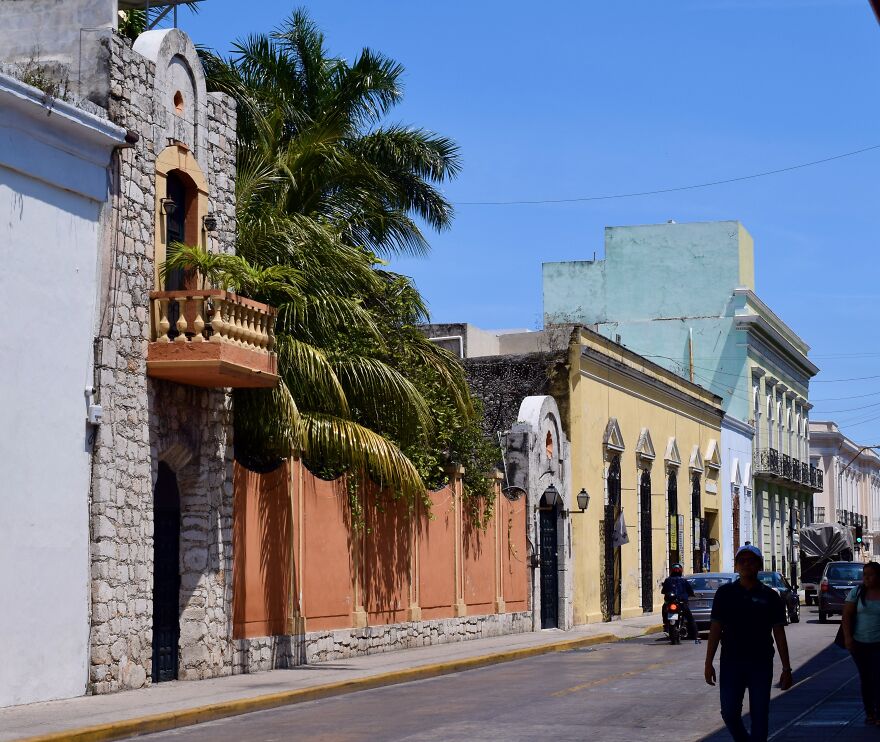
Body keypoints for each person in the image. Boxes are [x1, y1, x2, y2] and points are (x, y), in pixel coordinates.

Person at [704, 545, 793, 741]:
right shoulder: (725, 594)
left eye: (751, 561)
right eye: (742, 561)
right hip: (731, 662)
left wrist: (786, 668)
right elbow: (715, 629)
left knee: (760, 714)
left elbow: (779, 633)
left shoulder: (770, 596)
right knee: (729, 712)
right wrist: (708, 663)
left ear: (759, 566)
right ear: (736, 566)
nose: (746, 564)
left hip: (760, 663)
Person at [842, 561, 880, 725]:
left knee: (878, 677)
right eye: (864, 575)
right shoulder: (857, 592)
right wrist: (848, 638)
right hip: (860, 644)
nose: (866, 578)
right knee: (866, 678)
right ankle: (870, 712)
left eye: (870, 575)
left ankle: (878, 713)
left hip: (878, 643)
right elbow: (846, 615)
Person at [661, 563, 699, 643]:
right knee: (690, 618)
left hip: (670, 603)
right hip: (681, 603)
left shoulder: (668, 580)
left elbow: (663, 591)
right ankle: (694, 635)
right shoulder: (684, 581)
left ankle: (666, 625)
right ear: (681, 571)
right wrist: (692, 594)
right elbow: (690, 590)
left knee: (664, 610)